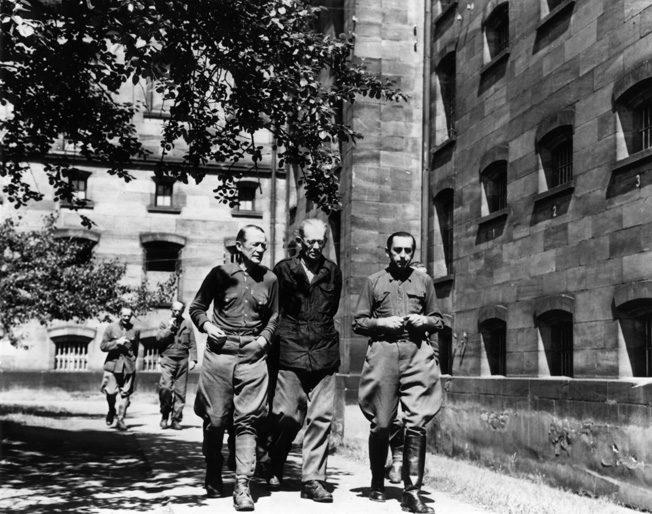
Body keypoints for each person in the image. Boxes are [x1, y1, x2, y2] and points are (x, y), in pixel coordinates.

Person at [190, 225, 279, 512]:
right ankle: (213, 468)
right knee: (216, 420)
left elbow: (275, 317)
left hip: (253, 356)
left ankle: (242, 485)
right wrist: (207, 326)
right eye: (254, 244)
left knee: (248, 421)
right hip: (220, 354)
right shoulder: (220, 274)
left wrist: (264, 340)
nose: (260, 249)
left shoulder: (270, 279)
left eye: (263, 245)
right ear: (239, 246)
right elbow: (197, 307)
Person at [353, 232, 444, 513]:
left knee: (416, 423)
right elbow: (358, 322)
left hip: (416, 352)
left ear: (413, 252)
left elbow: (438, 320)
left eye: (408, 250)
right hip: (383, 353)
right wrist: (383, 322)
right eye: (397, 250)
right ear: (387, 252)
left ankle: (412, 492)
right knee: (381, 423)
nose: (403, 255)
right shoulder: (374, 281)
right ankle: (378, 481)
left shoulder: (424, 281)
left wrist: (425, 319)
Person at [266, 218, 342, 502]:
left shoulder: (333, 271)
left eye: (320, 242)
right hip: (290, 348)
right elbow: (276, 309)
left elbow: (331, 309)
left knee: (321, 417)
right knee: (287, 416)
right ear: (299, 241)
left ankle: (313, 480)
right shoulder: (283, 270)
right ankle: (275, 459)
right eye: (309, 241)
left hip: (323, 351)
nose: (315, 247)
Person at [155, 300, 198, 430]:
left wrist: (193, 360)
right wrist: (169, 329)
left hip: (183, 361)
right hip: (168, 359)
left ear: (183, 310)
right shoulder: (164, 323)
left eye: (180, 310)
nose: (177, 313)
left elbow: (192, 343)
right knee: (166, 389)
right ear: (171, 309)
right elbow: (159, 339)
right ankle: (164, 415)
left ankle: (176, 419)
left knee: (180, 392)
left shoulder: (187, 324)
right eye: (175, 310)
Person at [100, 306, 140, 432]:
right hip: (113, 365)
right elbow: (103, 346)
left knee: (125, 393)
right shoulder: (111, 328)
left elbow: (136, 348)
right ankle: (111, 410)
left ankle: (121, 419)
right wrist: (117, 343)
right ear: (120, 315)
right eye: (124, 316)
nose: (127, 318)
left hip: (127, 366)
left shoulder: (135, 330)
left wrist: (133, 359)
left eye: (129, 316)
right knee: (110, 392)